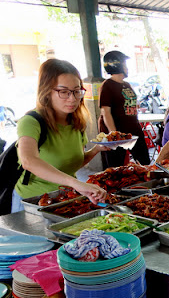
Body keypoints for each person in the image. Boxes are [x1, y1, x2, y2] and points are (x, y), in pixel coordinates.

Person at [14, 59, 108, 212]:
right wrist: (75, 183)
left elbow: (69, 163)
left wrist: (96, 150)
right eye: (63, 92)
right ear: (47, 91)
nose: (72, 98)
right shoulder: (31, 121)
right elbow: (28, 161)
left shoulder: (76, 121)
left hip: (66, 198)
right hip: (32, 203)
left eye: (77, 91)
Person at [98, 51, 150, 167]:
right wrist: (114, 134)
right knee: (116, 167)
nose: (127, 68)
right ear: (117, 65)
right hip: (118, 133)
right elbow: (105, 112)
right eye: (125, 65)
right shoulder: (107, 85)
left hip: (134, 130)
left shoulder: (127, 84)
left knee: (144, 162)